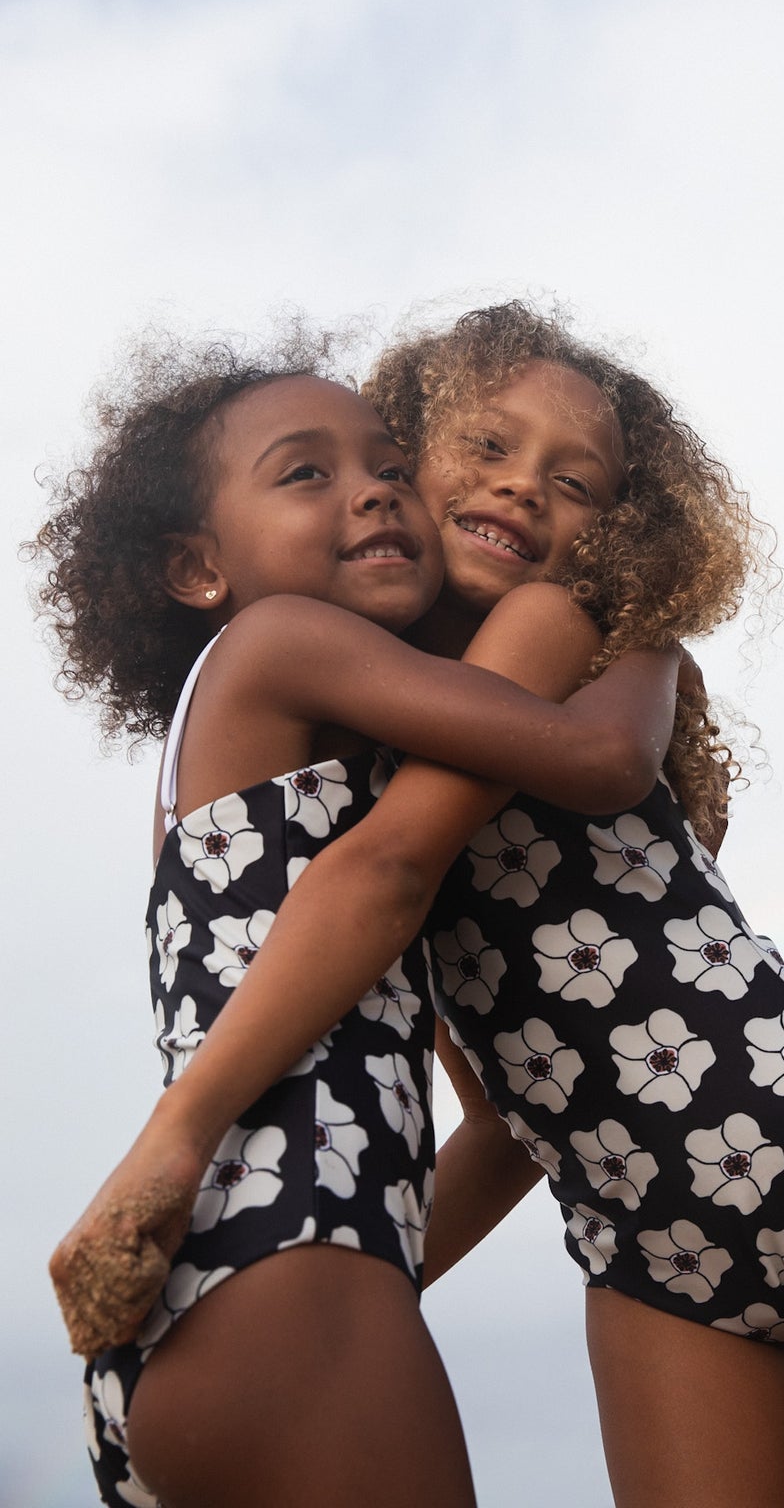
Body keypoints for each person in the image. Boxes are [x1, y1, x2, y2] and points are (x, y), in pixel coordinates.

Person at [53, 304, 784, 1508]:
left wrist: (201, 1174)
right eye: (487, 447)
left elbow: (405, 860)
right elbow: (507, 1119)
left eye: (576, 483)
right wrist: (341, 1295)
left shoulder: (563, 623)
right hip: (634, 1245)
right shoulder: (355, 736)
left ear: (618, 530)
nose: (522, 490)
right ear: (414, 454)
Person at [34, 329, 680, 1508]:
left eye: (387, 462)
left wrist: (395, 1274)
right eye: (305, 473)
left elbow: (494, 1126)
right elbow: (592, 756)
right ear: (195, 569)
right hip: (293, 1260)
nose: (373, 487)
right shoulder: (283, 640)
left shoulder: (269, 766)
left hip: (210, 1292)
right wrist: (645, 628)